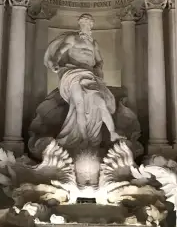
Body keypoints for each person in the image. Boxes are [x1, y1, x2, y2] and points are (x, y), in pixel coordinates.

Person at [43, 13, 122, 149]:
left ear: (92, 26)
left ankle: (112, 132)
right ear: (80, 24)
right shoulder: (72, 38)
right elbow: (60, 52)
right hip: (73, 73)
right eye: (84, 23)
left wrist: (98, 69)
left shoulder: (93, 43)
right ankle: (84, 139)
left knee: (101, 102)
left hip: (89, 75)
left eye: (89, 24)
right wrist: (55, 62)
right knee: (79, 105)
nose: (87, 26)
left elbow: (99, 60)